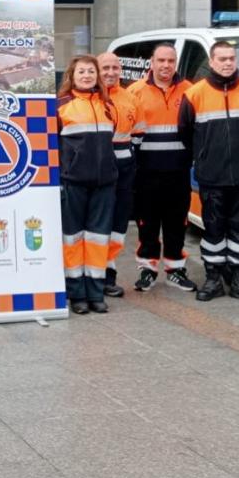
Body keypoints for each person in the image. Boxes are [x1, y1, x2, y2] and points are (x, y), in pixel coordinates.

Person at [177, 41, 239, 305]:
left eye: (231, 58)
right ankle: (213, 279)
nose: (228, 63)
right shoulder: (195, 94)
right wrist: (204, 156)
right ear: (212, 62)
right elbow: (185, 133)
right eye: (222, 59)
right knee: (213, 229)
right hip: (212, 175)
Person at [129, 43, 197, 293]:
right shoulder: (135, 92)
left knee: (176, 224)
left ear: (175, 63)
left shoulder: (190, 91)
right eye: (161, 60)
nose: (166, 65)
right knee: (147, 224)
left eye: (170, 61)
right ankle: (147, 270)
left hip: (179, 172)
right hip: (146, 173)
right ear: (151, 62)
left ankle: (175, 270)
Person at [56, 55, 118, 314]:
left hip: (104, 183)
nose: (86, 76)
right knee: (72, 239)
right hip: (73, 182)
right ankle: (77, 294)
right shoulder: (60, 106)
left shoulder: (106, 104)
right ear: (72, 75)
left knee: (98, 239)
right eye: (81, 71)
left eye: (91, 71)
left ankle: (95, 292)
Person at [96, 52, 138, 299]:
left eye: (115, 67)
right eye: (105, 68)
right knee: (95, 225)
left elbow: (138, 136)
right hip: (96, 171)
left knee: (118, 226)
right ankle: (89, 276)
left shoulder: (131, 98)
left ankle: (108, 274)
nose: (111, 72)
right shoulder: (88, 97)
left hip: (124, 172)